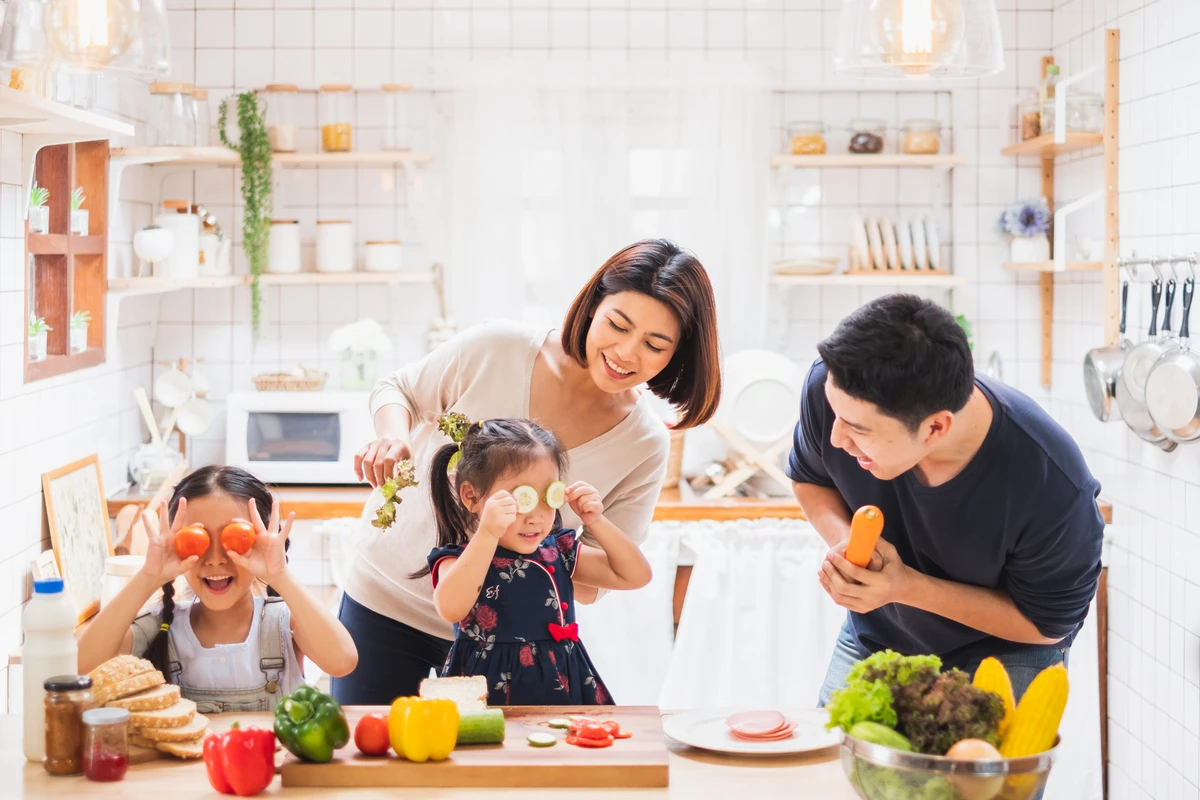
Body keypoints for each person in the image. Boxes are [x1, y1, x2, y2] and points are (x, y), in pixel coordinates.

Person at [334, 238, 722, 704]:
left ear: (676, 355)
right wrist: (393, 437)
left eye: (654, 345)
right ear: (594, 304)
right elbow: (398, 389)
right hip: (387, 605)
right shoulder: (499, 347)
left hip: (509, 649)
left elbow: (601, 578)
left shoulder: (644, 442)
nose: (625, 352)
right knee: (375, 767)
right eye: (618, 325)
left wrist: (540, 547)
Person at [787, 294, 1104, 706]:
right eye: (835, 416)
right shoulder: (837, 393)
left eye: (858, 430)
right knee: (834, 765)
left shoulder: (1050, 483)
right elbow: (810, 478)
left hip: (1003, 655)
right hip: (878, 637)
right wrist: (847, 545)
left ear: (936, 428)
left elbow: (1045, 625)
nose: (836, 438)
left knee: (972, 773)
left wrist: (905, 587)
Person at [78, 466, 358, 712]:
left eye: (235, 539)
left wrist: (280, 575)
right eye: (195, 541)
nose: (215, 558)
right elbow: (81, 668)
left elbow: (343, 661)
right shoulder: (160, 627)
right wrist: (148, 576)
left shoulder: (284, 622)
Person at [423, 415, 651, 704]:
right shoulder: (458, 559)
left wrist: (597, 521)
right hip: (486, 692)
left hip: (563, 685)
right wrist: (488, 532)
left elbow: (635, 575)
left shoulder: (559, 552)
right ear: (471, 496)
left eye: (548, 496)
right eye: (521, 498)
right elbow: (451, 608)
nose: (535, 516)